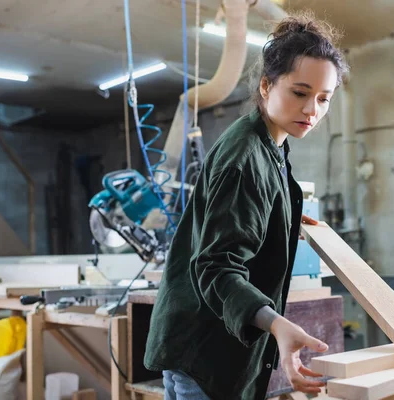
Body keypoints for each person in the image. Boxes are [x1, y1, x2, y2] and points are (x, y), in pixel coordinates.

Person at [144, 12, 349, 400]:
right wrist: (276, 324)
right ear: (267, 84)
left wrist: (283, 217)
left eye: (324, 99)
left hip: (203, 341)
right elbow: (216, 265)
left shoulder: (269, 140)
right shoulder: (245, 159)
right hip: (204, 351)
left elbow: (252, 206)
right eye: (300, 93)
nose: (312, 110)